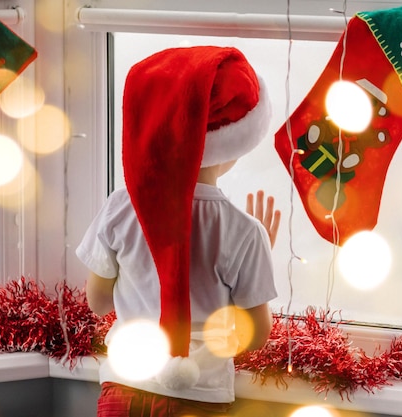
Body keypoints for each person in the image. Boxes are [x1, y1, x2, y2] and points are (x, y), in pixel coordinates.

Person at [76, 46, 280, 417]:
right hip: (200, 396)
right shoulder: (245, 232)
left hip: (124, 386)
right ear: (235, 142)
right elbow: (257, 334)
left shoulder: (121, 207)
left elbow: (98, 301)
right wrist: (262, 251)